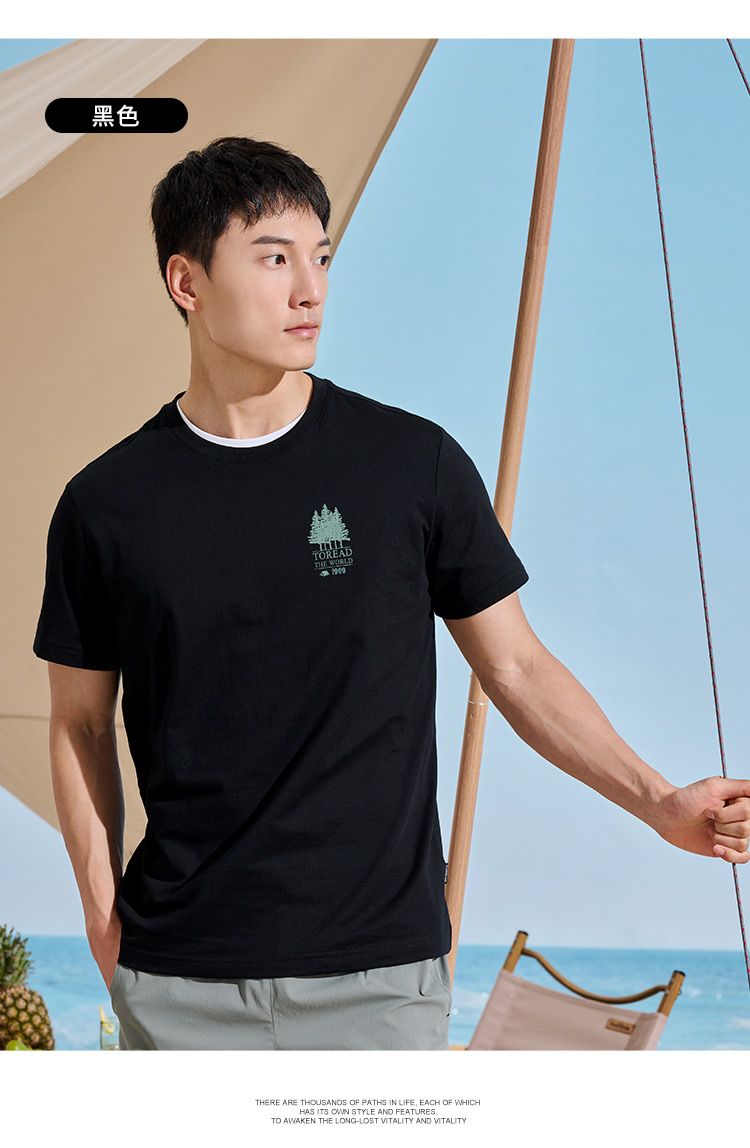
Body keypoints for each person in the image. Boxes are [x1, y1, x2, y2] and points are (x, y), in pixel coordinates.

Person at [33, 136, 750, 1052]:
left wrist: (658, 800)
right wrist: (104, 924)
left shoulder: (412, 466)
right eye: (274, 259)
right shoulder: (105, 506)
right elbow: (79, 725)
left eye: (321, 257)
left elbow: (518, 669)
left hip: (380, 985)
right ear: (188, 282)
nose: (311, 290)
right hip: (178, 983)